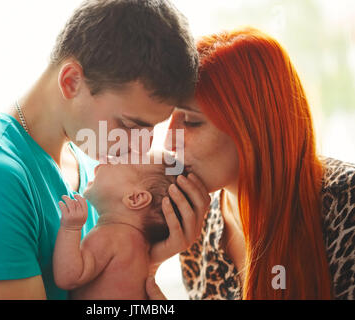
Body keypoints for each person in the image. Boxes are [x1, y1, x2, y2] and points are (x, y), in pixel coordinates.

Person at [0, 0, 210, 300]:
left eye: (153, 129)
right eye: (131, 125)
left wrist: (147, 256)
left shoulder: (90, 166)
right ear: (71, 82)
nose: (144, 146)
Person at [146, 27, 355, 300]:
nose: (169, 142)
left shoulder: (346, 203)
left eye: (192, 122)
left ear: (253, 129)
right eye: (170, 118)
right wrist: (151, 263)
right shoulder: (198, 220)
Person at [53, 151, 185, 299]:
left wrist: (71, 228)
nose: (105, 159)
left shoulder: (111, 236)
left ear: (135, 198)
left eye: (117, 161)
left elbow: (69, 277)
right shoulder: (140, 249)